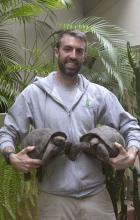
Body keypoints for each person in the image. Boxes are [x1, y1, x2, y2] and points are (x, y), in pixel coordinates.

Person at [0, 29, 140, 220]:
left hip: (96, 196)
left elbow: (130, 126)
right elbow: (7, 131)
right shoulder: (33, 94)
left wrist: (131, 153)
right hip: (53, 199)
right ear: (56, 51)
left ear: (84, 56)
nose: (73, 55)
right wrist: (11, 157)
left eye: (79, 51)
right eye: (68, 49)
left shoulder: (98, 93)